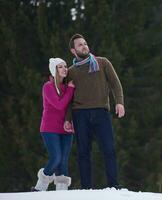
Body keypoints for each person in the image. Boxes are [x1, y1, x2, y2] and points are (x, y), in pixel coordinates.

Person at [64, 33, 125, 189]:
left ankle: (114, 185)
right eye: (80, 45)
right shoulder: (70, 71)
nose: (84, 46)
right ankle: (86, 188)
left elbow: (115, 84)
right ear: (73, 50)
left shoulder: (102, 63)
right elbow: (68, 98)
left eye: (85, 43)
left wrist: (120, 103)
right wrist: (67, 119)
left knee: (109, 149)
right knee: (83, 153)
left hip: (101, 112)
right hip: (80, 114)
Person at [31, 58, 75, 191]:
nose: (64, 69)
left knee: (63, 161)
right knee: (56, 158)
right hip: (50, 128)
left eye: (65, 66)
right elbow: (59, 105)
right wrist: (71, 90)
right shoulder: (48, 86)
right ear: (54, 70)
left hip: (67, 128)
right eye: (60, 67)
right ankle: (40, 186)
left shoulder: (68, 87)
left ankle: (61, 193)